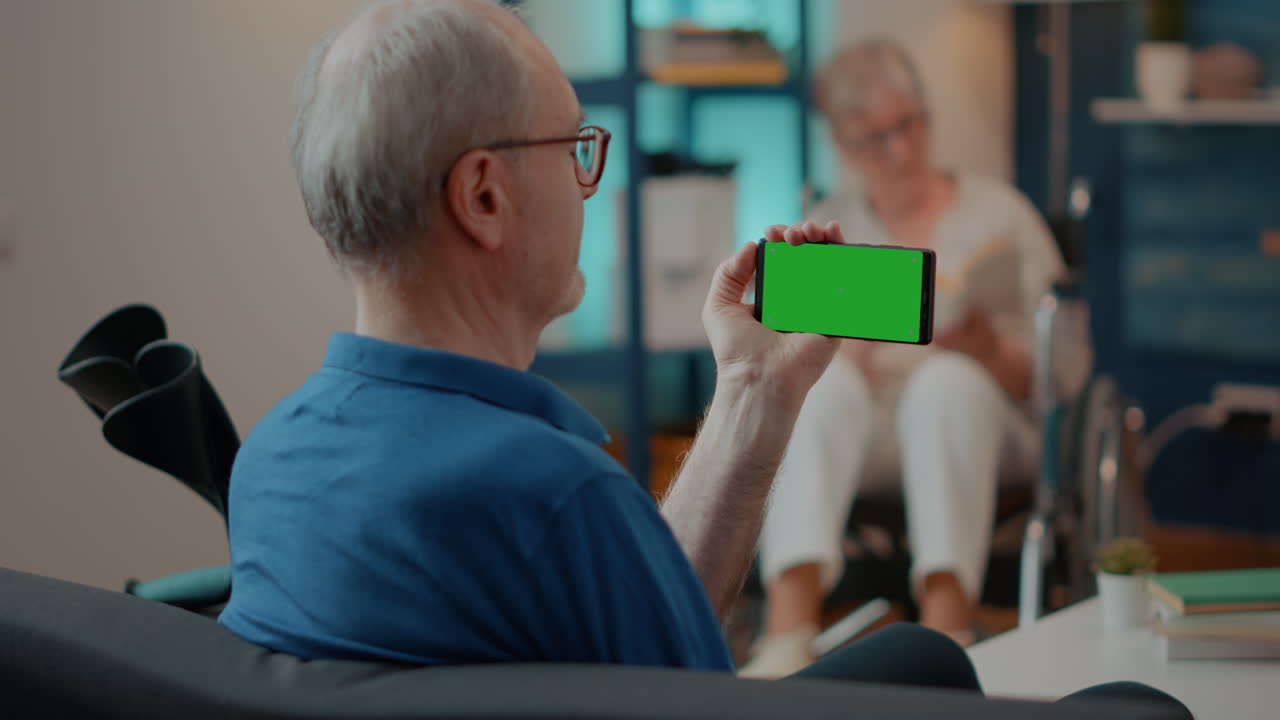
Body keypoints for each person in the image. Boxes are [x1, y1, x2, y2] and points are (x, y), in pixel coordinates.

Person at [217, 2, 1190, 716]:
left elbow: (637, 622)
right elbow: (688, 697)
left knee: (913, 662)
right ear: (482, 197)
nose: (587, 184)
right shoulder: (548, 493)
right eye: (575, 150)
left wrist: (752, 390)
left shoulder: (270, 458)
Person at [742, 38, 1068, 678]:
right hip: (865, 429)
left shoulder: (1000, 213)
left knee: (948, 382)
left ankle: (947, 628)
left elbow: (1062, 377)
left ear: (925, 116)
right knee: (822, 389)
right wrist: (840, 349)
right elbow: (782, 361)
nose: (898, 150)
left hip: (985, 420)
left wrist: (989, 350)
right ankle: (785, 634)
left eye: (906, 126)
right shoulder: (827, 226)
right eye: (873, 138)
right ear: (842, 144)